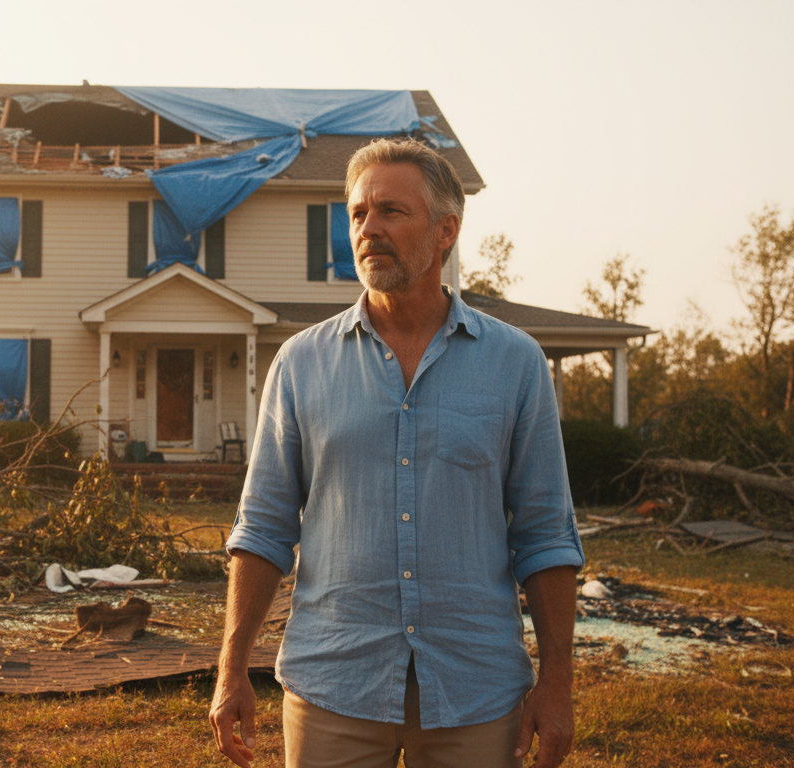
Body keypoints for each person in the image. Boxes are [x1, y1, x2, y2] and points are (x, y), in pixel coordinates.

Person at [208, 138, 584, 768]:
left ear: (446, 231)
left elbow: (545, 534)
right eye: (358, 213)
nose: (368, 229)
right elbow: (264, 528)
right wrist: (231, 668)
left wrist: (557, 682)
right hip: (335, 686)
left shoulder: (515, 364)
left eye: (390, 211)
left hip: (476, 691)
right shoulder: (301, 364)